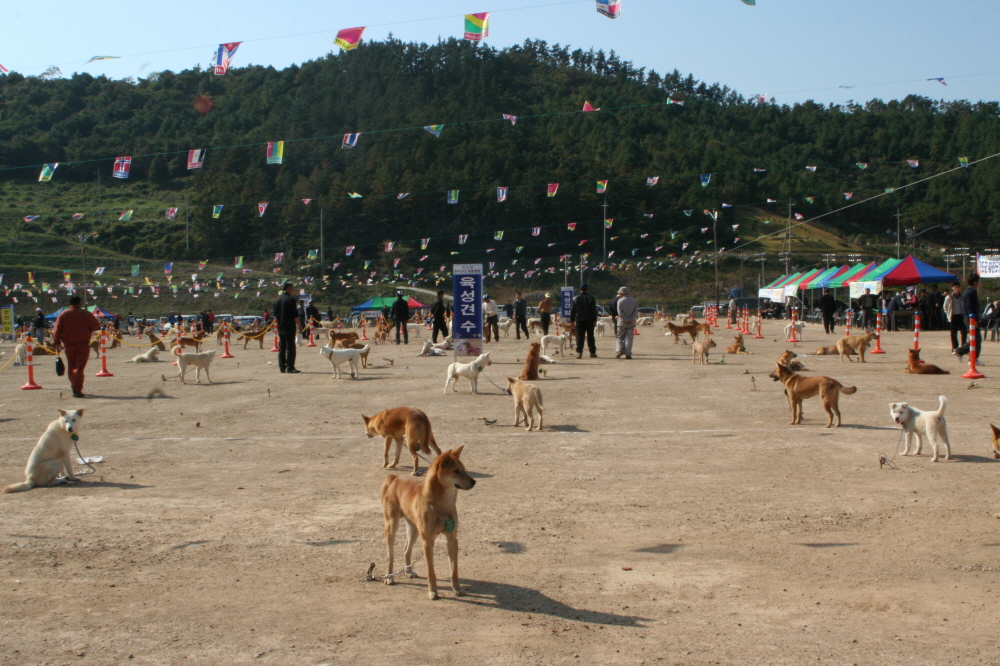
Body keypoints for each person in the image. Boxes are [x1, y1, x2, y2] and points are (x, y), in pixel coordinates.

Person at [51, 295, 100, 398]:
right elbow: (95, 326)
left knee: (71, 366)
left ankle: (74, 386)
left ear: (69, 304)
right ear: (79, 303)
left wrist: (57, 342)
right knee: (79, 368)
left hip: (68, 345)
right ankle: (77, 389)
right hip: (83, 344)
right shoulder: (86, 314)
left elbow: (57, 330)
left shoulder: (63, 314)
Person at [273, 282, 302, 373]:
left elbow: (275, 315)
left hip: (280, 326)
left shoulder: (277, 300)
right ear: (289, 288)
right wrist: (300, 325)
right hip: (289, 326)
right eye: (292, 288)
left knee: (282, 347)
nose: (293, 290)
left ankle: (282, 367)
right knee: (290, 347)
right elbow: (295, 314)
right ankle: (290, 367)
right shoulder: (291, 299)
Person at [956, 274, 983, 363]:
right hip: (970, 318)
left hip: (969, 317)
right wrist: (974, 320)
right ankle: (965, 353)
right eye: (978, 281)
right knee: (975, 339)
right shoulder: (970, 292)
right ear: (975, 282)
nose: (979, 283)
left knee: (975, 338)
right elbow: (970, 307)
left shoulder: (969, 291)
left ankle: (971, 357)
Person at [570, 283, 598, 358]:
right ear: (587, 289)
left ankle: (579, 352)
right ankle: (592, 352)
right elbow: (594, 310)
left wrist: (572, 320)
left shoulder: (576, 298)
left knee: (579, 336)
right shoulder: (591, 298)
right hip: (589, 320)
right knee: (590, 336)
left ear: (580, 289)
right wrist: (594, 320)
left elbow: (573, 310)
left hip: (579, 320)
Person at [614, 286, 638, 359]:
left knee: (620, 337)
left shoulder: (620, 301)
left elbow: (620, 313)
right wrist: (630, 319)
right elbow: (635, 312)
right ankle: (628, 353)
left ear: (621, 293)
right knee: (629, 338)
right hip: (631, 322)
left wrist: (625, 319)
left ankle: (619, 350)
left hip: (621, 322)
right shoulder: (634, 300)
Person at [944, 282, 967, 353]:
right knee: (953, 333)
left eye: (958, 287)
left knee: (964, 331)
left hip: (961, 315)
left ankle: (963, 347)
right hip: (953, 316)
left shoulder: (962, 296)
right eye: (956, 287)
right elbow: (945, 307)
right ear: (952, 288)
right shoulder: (949, 297)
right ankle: (955, 347)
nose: (957, 289)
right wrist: (948, 314)